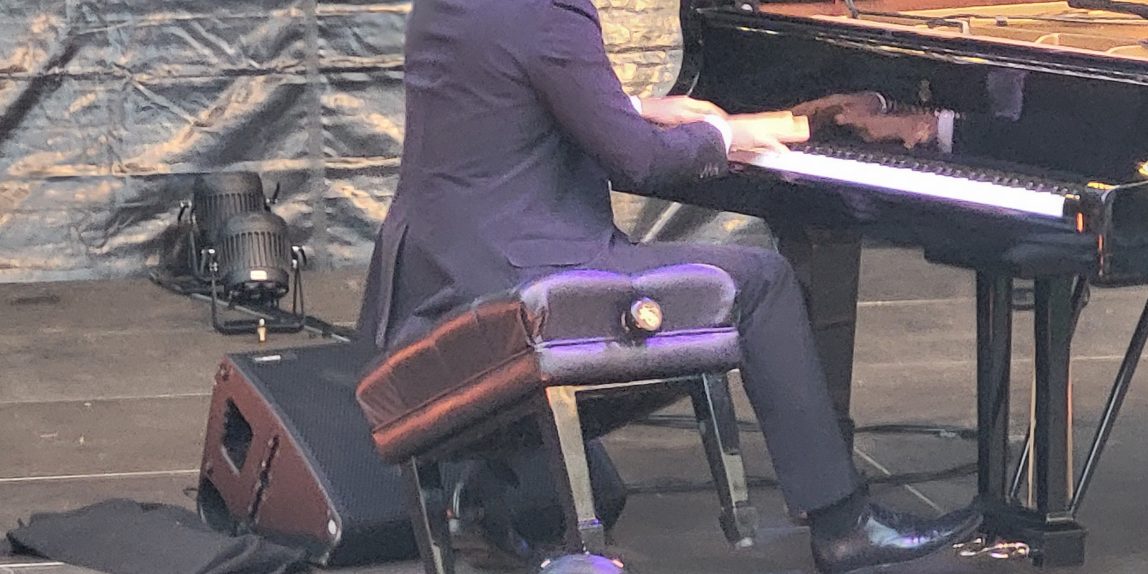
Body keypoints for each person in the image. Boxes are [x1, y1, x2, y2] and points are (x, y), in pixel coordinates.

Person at [355, 0, 982, 572]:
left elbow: (504, 91)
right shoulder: (550, 11)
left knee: (735, 282)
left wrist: (640, 108)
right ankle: (843, 524)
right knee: (763, 282)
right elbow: (639, 160)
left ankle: (491, 497)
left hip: (436, 267)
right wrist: (732, 135)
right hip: (527, 270)